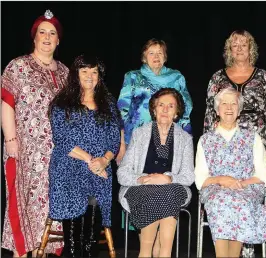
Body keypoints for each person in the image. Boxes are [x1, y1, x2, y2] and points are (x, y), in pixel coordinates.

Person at [1, 9, 68, 257]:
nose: (47, 37)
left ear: (58, 40)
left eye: (52, 33)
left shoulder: (65, 73)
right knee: (24, 206)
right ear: (34, 37)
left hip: (57, 155)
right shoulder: (18, 66)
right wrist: (10, 139)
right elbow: (6, 102)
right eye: (43, 32)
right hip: (25, 150)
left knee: (52, 208)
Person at [48, 55, 121, 257]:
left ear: (100, 76)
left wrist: (104, 161)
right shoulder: (61, 103)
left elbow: (114, 140)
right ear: (76, 74)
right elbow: (62, 140)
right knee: (73, 242)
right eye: (85, 71)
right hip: (68, 167)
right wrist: (91, 160)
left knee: (90, 238)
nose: (90, 76)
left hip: (98, 168)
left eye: (94, 72)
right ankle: (72, 253)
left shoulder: (108, 103)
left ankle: (88, 253)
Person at [117, 88, 194, 258]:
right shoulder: (139, 134)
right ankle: (149, 253)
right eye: (161, 105)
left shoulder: (185, 139)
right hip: (140, 189)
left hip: (171, 189)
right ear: (154, 109)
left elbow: (189, 176)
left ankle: (161, 253)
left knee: (169, 192)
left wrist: (168, 178)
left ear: (177, 112)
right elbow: (122, 173)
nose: (165, 109)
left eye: (171, 106)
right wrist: (144, 179)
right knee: (154, 194)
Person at [195, 87, 266, 258]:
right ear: (217, 109)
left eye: (233, 104)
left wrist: (240, 184)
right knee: (220, 201)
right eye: (224, 103)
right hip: (215, 188)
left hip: (247, 188)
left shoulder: (253, 137)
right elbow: (201, 179)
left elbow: (263, 175)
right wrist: (222, 180)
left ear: (239, 109)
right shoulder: (205, 140)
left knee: (239, 201)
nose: (229, 108)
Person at [117, 38, 193, 163]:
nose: (156, 56)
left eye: (160, 53)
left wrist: (187, 143)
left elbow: (185, 111)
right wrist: (121, 144)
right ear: (144, 57)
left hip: (168, 139)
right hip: (135, 139)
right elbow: (121, 111)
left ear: (165, 57)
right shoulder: (132, 77)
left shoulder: (176, 77)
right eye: (151, 53)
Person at [203, 30, 266, 152]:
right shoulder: (217, 77)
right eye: (235, 45)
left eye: (243, 45)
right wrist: (208, 142)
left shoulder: (264, 77)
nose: (239, 49)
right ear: (230, 50)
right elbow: (210, 113)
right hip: (224, 137)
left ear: (250, 48)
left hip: (257, 139)